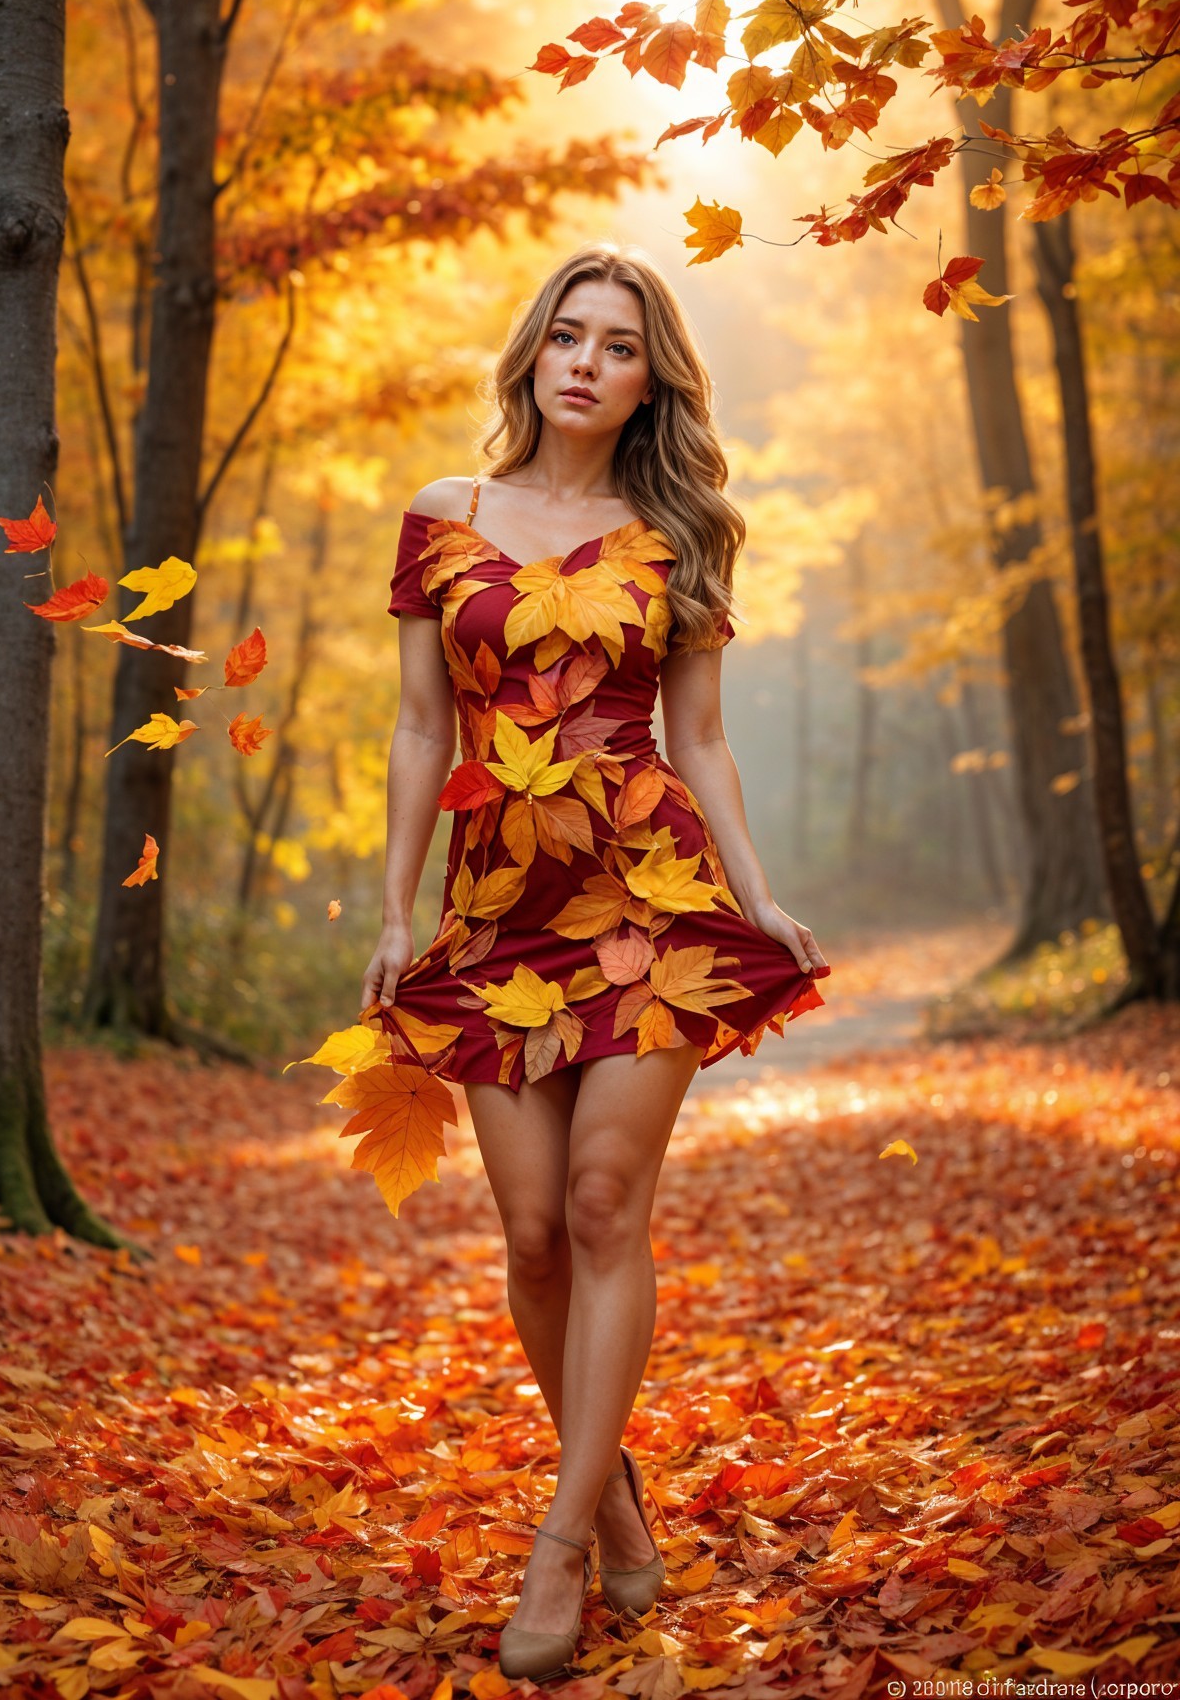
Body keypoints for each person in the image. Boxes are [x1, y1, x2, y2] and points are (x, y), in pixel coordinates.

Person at [357, 243, 830, 1679]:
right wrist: (393, 912)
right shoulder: (446, 516)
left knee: (607, 1198)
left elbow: (701, 738)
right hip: (495, 911)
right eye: (568, 335)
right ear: (534, 351)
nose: (586, 361)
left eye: (618, 345)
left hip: (653, 902)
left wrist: (757, 896)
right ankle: (615, 1498)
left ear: (649, 381)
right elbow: (418, 729)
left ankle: (557, 1548)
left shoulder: (680, 530)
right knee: (534, 1234)